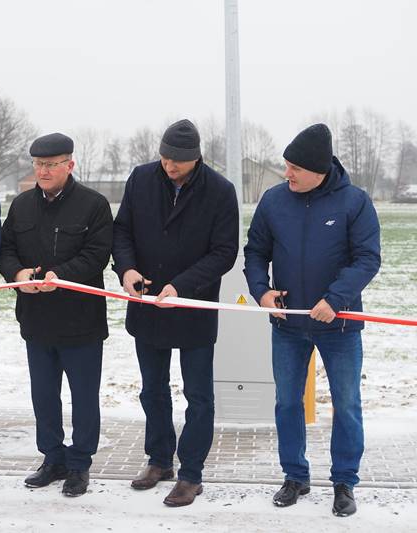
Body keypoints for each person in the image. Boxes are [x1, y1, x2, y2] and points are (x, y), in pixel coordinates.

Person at [244, 123, 380, 517]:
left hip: (339, 326)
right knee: (287, 401)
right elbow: (255, 251)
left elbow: (368, 258)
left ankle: (344, 482)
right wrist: (261, 290)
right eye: (285, 166)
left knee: (347, 403)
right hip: (288, 326)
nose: (287, 174)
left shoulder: (354, 202)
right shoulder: (273, 201)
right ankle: (295, 476)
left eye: (294, 169)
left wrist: (335, 300)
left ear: (319, 172)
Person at [112, 119, 239, 506]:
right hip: (148, 304)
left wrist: (181, 286)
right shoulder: (141, 179)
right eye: (165, 158)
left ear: (196, 158)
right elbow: (122, 233)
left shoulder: (220, 191)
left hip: (192, 307)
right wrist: (127, 269)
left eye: (178, 162)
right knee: (153, 390)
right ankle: (159, 460)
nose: (170, 166)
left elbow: (224, 252)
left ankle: (191, 474)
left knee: (198, 396)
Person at [0, 133, 113, 497]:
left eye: (51, 164)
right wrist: (17, 276)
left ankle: (79, 464)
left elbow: (97, 254)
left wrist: (60, 277)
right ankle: (53, 458)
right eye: (38, 164)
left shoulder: (93, 205)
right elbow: (5, 249)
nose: (43, 171)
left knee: (83, 397)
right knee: (44, 395)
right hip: (36, 319)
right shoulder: (22, 206)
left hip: (81, 322)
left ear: (69, 165)